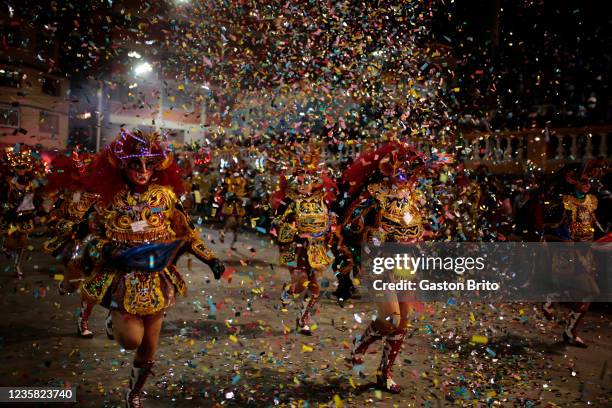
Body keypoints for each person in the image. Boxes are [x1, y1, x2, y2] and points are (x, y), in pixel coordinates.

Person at [77, 129, 224, 407]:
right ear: (124, 166)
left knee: (148, 346)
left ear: (157, 166)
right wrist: (106, 249)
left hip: (157, 278)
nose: (143, 171)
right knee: (132, 339)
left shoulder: (166, 197)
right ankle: (112, 315)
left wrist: (210, 258)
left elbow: (187, 233)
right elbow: (90, 237)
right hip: (122, 277)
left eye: (148, 165)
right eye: (135, 164)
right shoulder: (110, 198)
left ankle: (134, 392)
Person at [338, 140, 449, 393]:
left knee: (402, 324)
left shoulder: (415, 195)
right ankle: (359, 345)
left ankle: (384, 373)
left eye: (412, 171)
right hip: (379, 261)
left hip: (405, 263)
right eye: (403, 169)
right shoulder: (375, 192)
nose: (407, 175)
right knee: (390, 319)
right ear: (390, 167)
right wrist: (365, 229)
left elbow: (419, 227)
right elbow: (350, 221)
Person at [542, 160, 607, 348]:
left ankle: (570, 331)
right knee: (586, 289)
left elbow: (595, 224)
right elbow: (553, 226)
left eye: (589, 182)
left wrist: (603, 237)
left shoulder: (592, 200)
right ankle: (551, 298)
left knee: (587, 295)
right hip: (569, 252)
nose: (587, 184)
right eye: (583, 181)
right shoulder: (565, 201)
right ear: (573, 181)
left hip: (586, 253)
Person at [273, 148, 337, 335]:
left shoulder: (322, 201)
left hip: (317, 248)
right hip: (297, 247)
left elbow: (329, 222)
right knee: (301, 285)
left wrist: (331, 230)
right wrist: (296, 233)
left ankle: (303, 319)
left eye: (306, 182)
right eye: (299, 182)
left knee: (315, 287)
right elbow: (278, 222)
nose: (302, 185)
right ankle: (289, 290)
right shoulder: (289, 201)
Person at [43, 150, 101, 338]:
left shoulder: (99, 196)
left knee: (95, 285)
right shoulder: (65, 196)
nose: (81, 176)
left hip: (97, 244)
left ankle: (84, 321)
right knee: (74, 284)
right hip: (75, 242)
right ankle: (65, 286)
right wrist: (69, 226)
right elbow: (53, 220)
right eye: (77, 173)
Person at [0, 145, 43, 279]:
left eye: (24, 167)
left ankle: (17, 266)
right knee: (9, 242)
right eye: (19, 167)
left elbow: (39, 194)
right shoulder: (9, 181)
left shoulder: (33, 180)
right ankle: (6, 249)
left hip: (26, 216)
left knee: (22, 243)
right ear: (15, 168)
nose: (22, 169)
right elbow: (3, 196)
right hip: (12, 216)